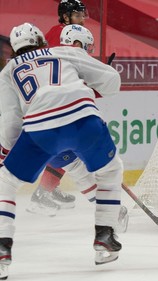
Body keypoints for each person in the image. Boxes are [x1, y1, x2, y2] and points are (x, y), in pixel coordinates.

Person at [0, 22, 123, 278]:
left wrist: (8, 153)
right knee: (110, 170)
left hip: (40, 130)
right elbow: (111, 82)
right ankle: (105, 237)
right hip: (84, 120)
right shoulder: (63, 51)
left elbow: (11, 120)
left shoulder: (8, 71)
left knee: (6, 183)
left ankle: (2, 249)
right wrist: (88, 85)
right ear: (42, 41)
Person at [27, 0, 88, 213]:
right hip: (52, 100)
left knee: (66, 147)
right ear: (64, 16)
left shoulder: (71, 33)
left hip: (59, 99)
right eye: (77, 15)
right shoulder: (58, 33)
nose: (82, 19)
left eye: (82, 15)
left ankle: (45, 191)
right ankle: (42, 193)